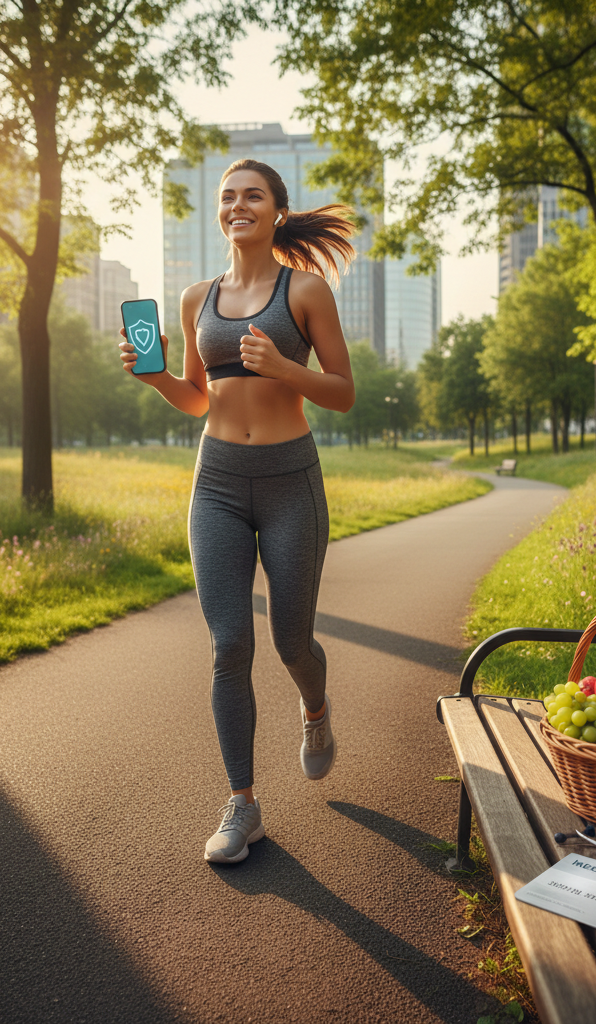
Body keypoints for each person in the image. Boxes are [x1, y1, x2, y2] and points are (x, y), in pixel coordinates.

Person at [119, 158, 356, 864]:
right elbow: (199, 397)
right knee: (229, 645)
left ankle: (316, 710)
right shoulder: (197, 298)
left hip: (290, 485)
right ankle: (242, 805)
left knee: (291, 642)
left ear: (277, 211)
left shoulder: (303, 290)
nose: (237, 205)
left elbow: (343, 392)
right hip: (217, 484)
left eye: (252, 195)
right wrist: (157, 377)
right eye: (227, 197)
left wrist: (284, 367)